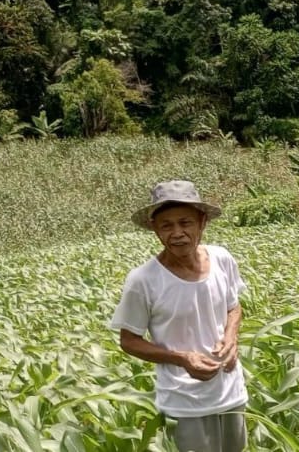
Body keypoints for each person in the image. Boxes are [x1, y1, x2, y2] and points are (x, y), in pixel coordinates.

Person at [110, 180, 248, 452]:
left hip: (231, 392)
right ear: (155, 230)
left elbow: (234, 306)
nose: (177, 233)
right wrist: (183, 358)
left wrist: (231, 337)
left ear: (202, 222)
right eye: (166, 226)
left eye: (185, 223)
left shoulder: (221, 259)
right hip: (184, 402)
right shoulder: (143, 280)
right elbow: (129, 341)